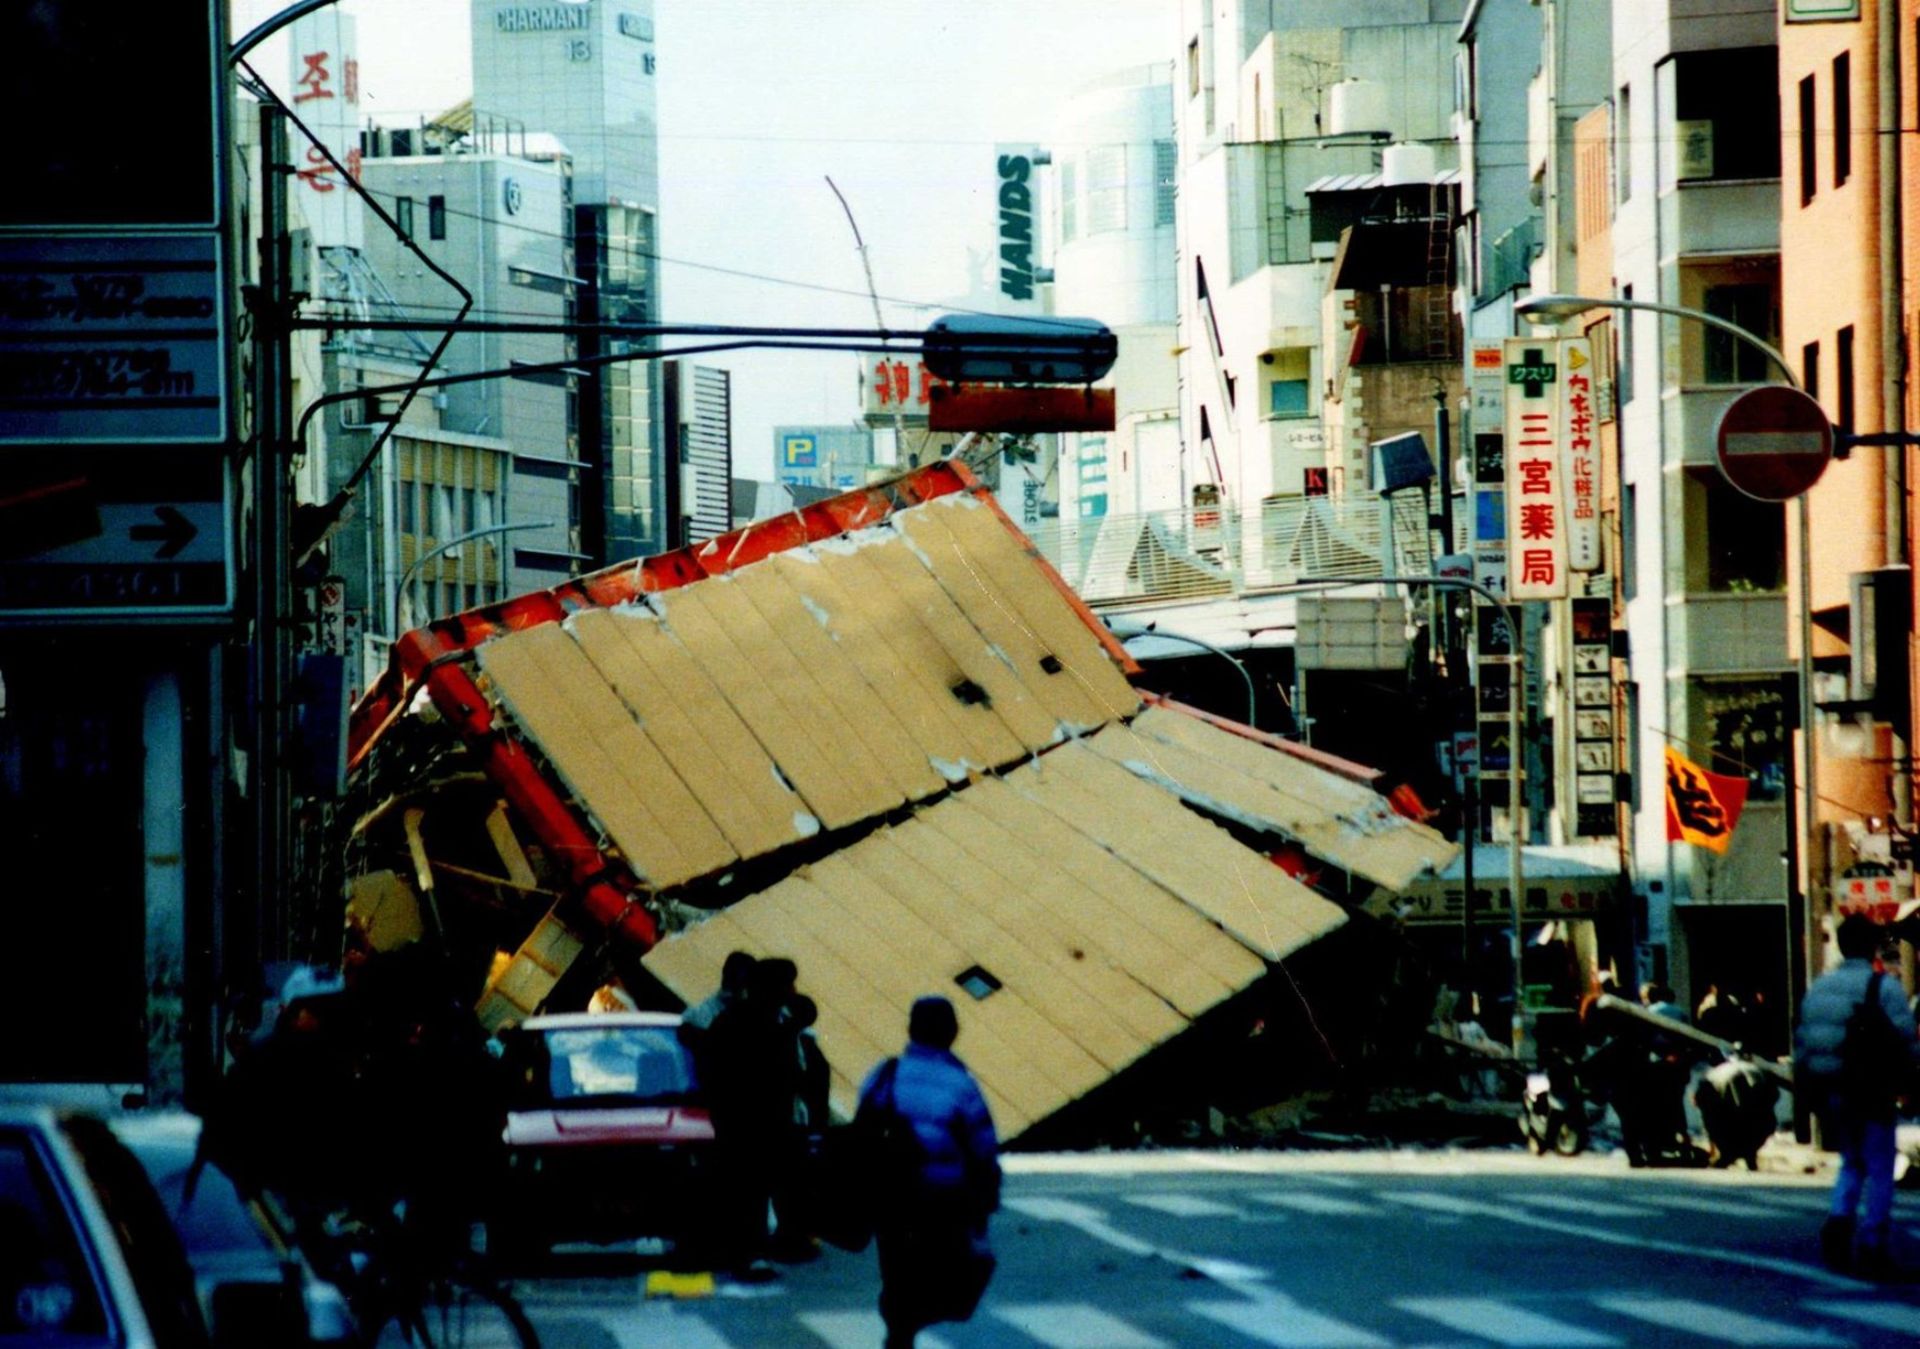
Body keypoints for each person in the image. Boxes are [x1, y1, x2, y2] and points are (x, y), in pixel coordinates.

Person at [859, 996, 1000, 1349]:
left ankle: (899, 1331)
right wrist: (985, 1202)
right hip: (942, 1197)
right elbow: (982, 1147)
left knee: (896, 1272)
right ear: (952, 1032)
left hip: (889, 1196)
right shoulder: (960, 1085)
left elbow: (861, 1130)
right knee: (947, 1272)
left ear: (910, 1030)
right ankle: (909, 1324)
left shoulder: (884, 1074)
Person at [1794, 914, 1920, 1278]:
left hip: (1832, 1089)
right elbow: (1906, 1040)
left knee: (1852, 1161)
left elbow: (1803, 1043)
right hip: (1872, 1087)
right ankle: (1872, 1242)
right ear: (1872, 947)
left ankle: (1838, 1222)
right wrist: (1910, 1084)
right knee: (1880, 1167)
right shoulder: (1882, 988)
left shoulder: (1820, 987)